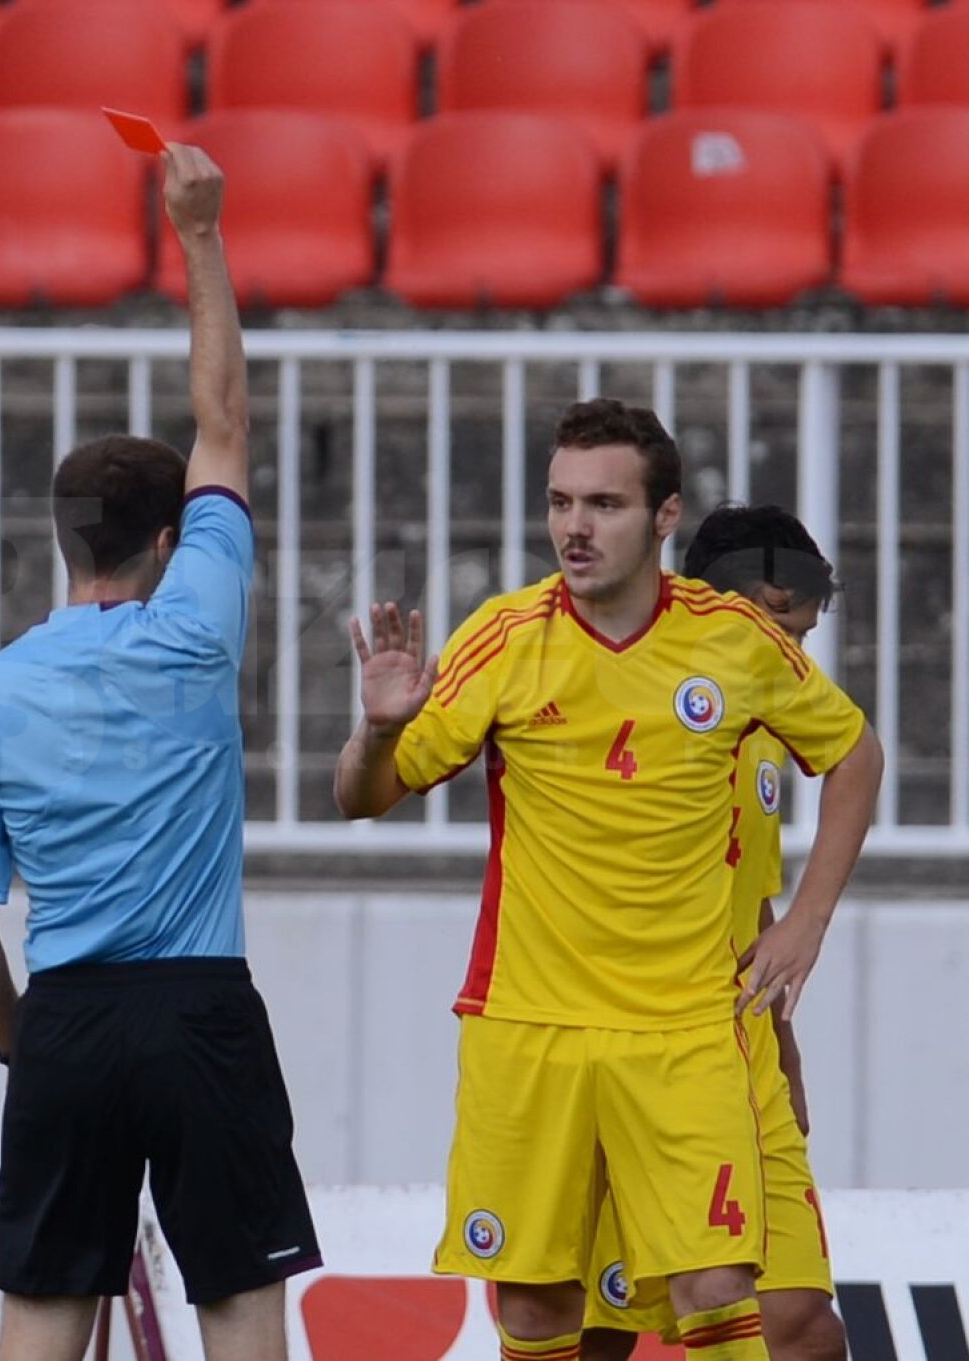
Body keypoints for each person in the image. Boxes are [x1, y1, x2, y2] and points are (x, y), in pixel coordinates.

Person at [334, 399, 882, 1361]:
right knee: (543, 1312)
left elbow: (855, 751)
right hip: (531, 1024)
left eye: (603, 504)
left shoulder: (733, 640)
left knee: (723, 1291)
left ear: (664, 516)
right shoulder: (504, 638)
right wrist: (378, 728)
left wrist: (807, 921)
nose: (574, 528)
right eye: (559, 503)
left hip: (685, 1030)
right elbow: (362, 798)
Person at [0, 145, 320, 1361]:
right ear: (166, 538)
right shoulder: (196, 625)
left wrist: (16, 1030)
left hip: (73, 1017)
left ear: (63, 538)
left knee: (43, 1310)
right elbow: (225, 418)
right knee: (239, 1306)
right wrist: (197, 233)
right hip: (199, 1002)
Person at [581, 504, 848, 1361]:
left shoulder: (770, 730)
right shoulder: (614, 700)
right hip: (617, 1048)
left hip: (737, 1059)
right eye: (781, 630)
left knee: (802, 1328)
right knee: (595, 1334)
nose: (791, 658)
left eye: (802, 639)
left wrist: (783, 1042)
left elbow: (749, 899)